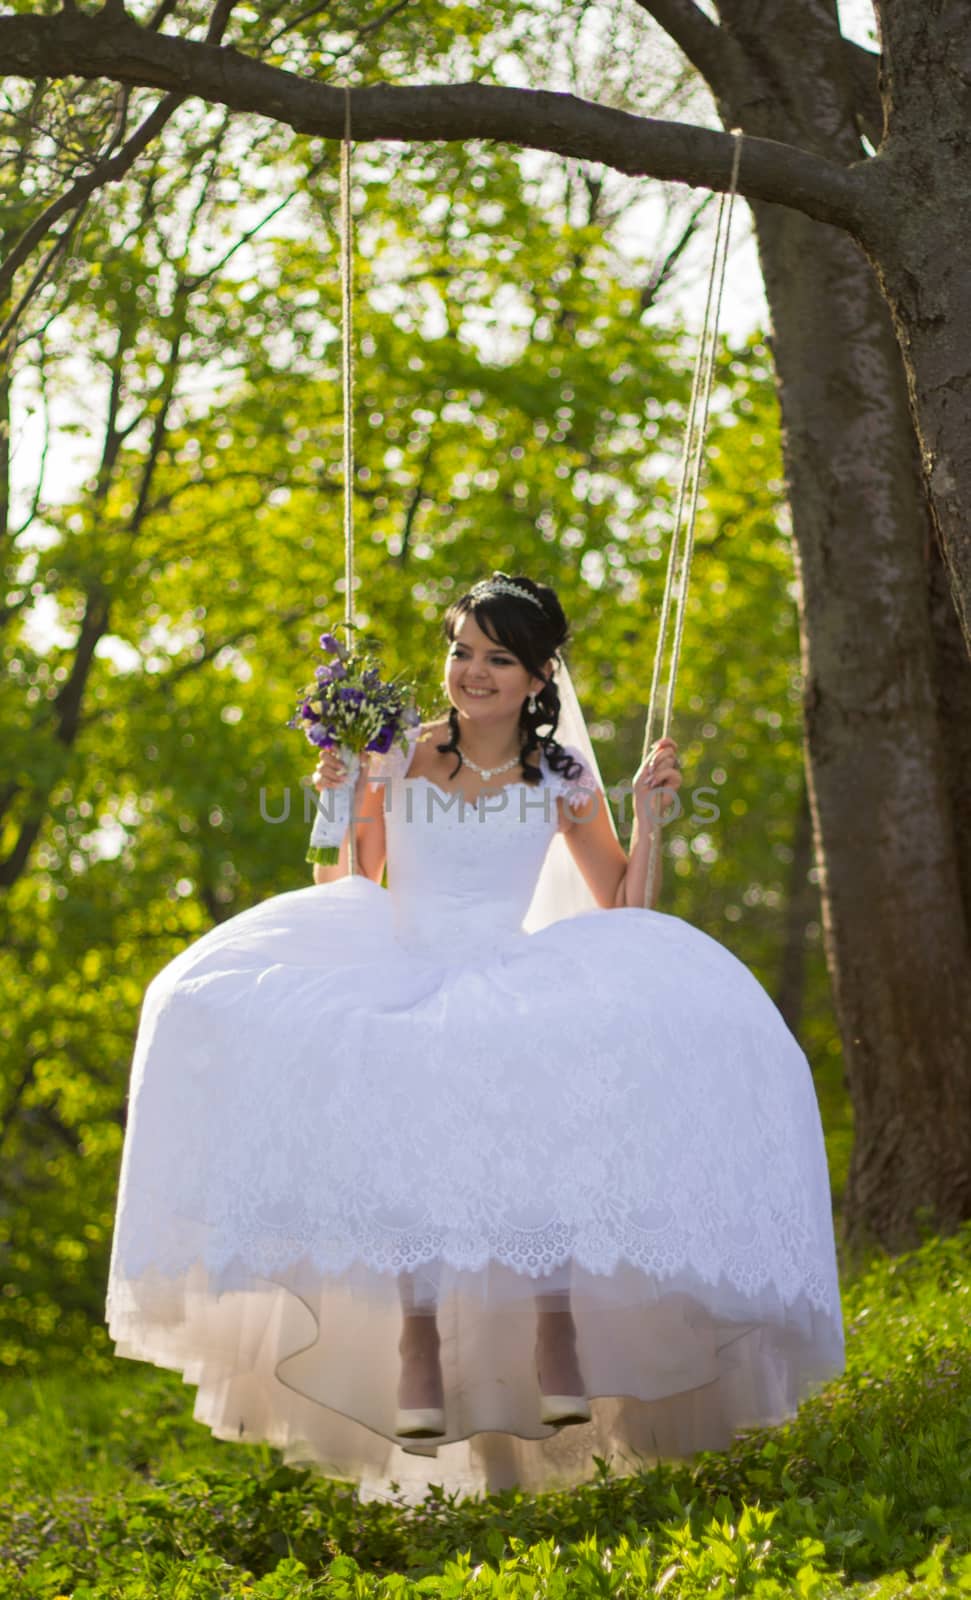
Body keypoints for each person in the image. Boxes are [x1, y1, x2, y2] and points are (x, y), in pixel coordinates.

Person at [105, 571, 844, 1506]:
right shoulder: (402, 757)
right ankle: (418, 1342)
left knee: (529, 1067)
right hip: (405, 958)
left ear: (539, 679)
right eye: (461, 650)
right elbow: (355, 878)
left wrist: (652, 823)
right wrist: (340, 793)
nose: (472, 672)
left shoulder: (562, 777)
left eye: (498, 657)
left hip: (508, 965)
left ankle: (555, 1327)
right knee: (344, 1052)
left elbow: (622, 906)